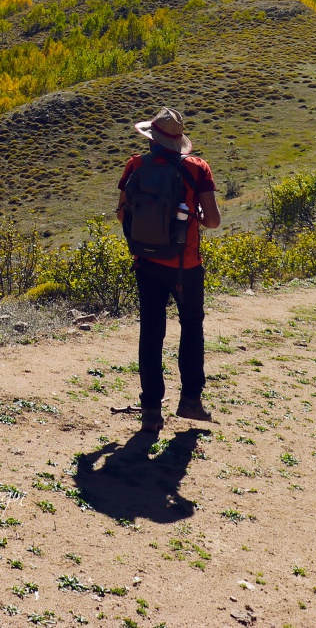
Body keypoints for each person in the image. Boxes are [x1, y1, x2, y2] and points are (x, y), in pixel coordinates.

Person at [116, 107, 221, 433]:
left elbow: (122, 216)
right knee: (191, 326)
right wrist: (194, 218)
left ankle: (151, 410)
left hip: (146, 262)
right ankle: (190, 400)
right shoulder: (197, 168)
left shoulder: (136, 165)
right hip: (184, 264)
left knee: (151, 332)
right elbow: (214, 221)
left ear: (151, 139)